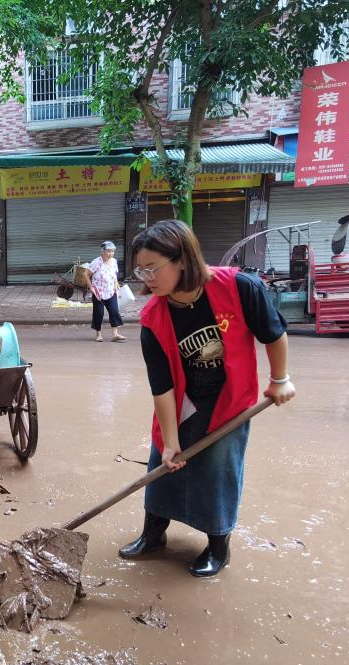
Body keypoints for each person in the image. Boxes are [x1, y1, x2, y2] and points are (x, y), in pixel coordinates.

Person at [119, 220, 295, 577]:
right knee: (162, 465)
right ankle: (154, 534)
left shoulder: (240, 287)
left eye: (153, 269)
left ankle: (218, 546)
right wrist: (170, 442)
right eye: (141, 269)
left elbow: (273, 334)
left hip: (230, 397)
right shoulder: (153, 316)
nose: (146, 278)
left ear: (182, 260)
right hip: (184, 398)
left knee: (218, 470)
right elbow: (162, 386)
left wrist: (280, 379)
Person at [87, 240, 125, 342]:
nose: (111, 253)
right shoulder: (96, 262)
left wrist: (116, 282)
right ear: (102, 251)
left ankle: (115, 334)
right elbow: (86, 275)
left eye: (112, 251)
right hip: (98, 292)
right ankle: (98, 334)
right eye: (108, 251)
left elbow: (114, 273)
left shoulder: (114, 261)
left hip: (111, 290)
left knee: (114, 311)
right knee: (99, 313)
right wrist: (90, 286)